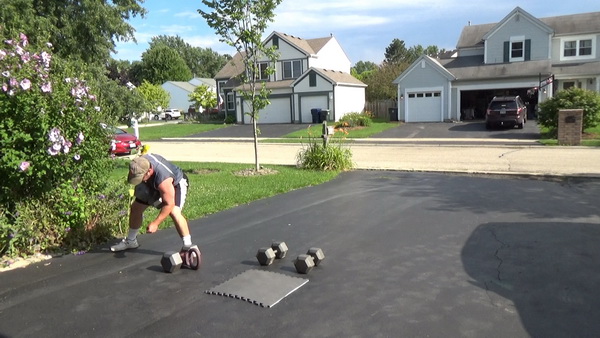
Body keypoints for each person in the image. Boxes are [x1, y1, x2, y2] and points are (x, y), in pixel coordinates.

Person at [111, 154, 193, 252]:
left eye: (140, 177)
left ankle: (188, 246)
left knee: (174, 212)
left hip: (176, 183)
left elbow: (169, 204)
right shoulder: (139, 163)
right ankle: (131, 241)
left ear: (149, 171)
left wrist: (155, 223)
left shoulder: (164, 178)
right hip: (152, 182)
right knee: (136, 208)